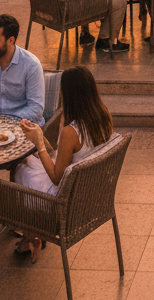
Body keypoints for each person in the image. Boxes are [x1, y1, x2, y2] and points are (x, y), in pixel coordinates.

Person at [13, 66, 115, 260]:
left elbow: (57, 177)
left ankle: (33, 234)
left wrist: (39, 143)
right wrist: (40, 136)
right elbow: (65, 156)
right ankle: (30, 237)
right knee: (30, 162)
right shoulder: (103, 117)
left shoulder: (71, 131)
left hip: (67, 197)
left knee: (20, 171)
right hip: (89, 191)